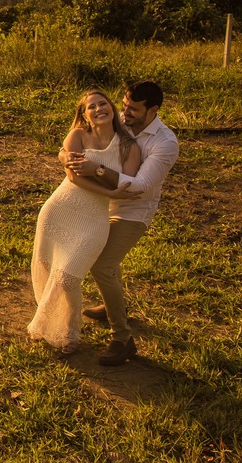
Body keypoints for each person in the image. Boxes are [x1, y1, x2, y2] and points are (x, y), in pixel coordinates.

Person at [61, 80, 179, 365]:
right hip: (100, 203)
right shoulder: (121, 123)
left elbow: (140, 186)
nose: (125, 112)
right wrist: (65, 154)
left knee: (102, 265)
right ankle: (113, 305)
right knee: (108, 265)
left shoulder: (165, 143)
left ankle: (122, 338)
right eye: (124, 104)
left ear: (153, 110)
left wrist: (97, 169)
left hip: (133, 211)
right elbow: (88, 137)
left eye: (133, 109)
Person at [29, 89, 142, 354]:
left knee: (68, 276)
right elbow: (74, 178)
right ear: (84, 114)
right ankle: (66, 330)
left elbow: (128, 182)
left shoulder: (128, 146)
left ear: (112, 109)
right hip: (60, 208)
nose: (99, 108)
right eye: (91, 106)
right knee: (48, 265)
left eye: (103, 103)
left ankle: (62, 325)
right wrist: (109, 191)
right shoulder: (78, 136)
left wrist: (106, 180)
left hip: (94, 218)